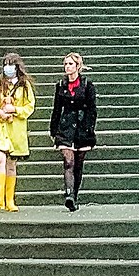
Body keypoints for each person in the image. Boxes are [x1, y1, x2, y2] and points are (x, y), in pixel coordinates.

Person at [0, 52, 35, 211]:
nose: (8, 68)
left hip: (15, 130)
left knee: (11, 165)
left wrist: (15, 110)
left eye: (11, 65)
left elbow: (30, 107)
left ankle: (10, 199)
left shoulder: (24, 86)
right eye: (5, 65)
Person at [48, 51, 97, 211]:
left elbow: (92, 109)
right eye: (66, 64)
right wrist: (53, 129)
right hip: (66, 128)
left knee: (78, 165)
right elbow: (57, 109)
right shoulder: (61, 86)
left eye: (70, 64)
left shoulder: (87, 85)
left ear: (78, 66)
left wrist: (90, 127)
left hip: (82, 129)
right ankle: (68, 194)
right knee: (68, 161)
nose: (67, 67)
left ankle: (74, 195)